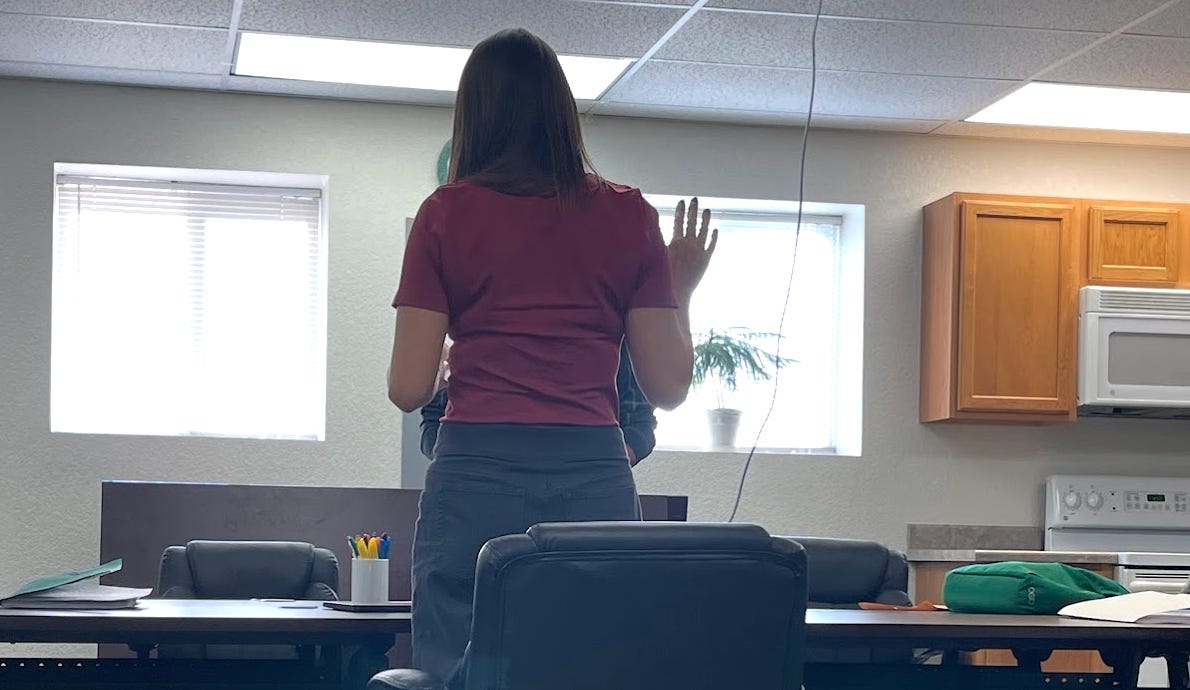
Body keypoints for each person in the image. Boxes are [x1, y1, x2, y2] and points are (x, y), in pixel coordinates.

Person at [386, 27, 716, 686]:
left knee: (462, 669)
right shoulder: (627, 216)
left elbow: (407, 387)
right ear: (562, 112)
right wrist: (675, 292)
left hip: (474, 475)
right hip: (590, 472)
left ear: (473, 115)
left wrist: (456, 352)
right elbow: (670, 386)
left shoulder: (445, 213)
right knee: (593, 665)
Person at [418, 340, 658, 466]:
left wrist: (601, 463)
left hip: (587, 492)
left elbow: (640, 426)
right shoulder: (479, 325)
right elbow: (431, 426)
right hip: (479, 487)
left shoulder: (611, 332)